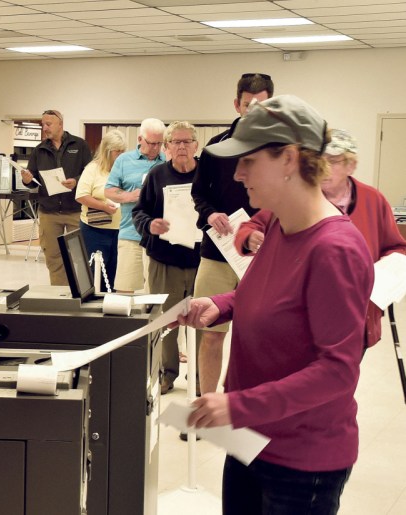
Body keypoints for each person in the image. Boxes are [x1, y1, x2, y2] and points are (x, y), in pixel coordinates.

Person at [176, 95, 374, 515]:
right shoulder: (281, 225)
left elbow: (337, 370)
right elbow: (270, 296)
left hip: (300, 463)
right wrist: (223, 304)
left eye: (248, 160)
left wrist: (235, 404)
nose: (238, 172)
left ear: (288, 159)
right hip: (250, 440)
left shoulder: (334, 249)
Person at [235, 128, 406, 349]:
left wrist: (381, 274)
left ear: (350, 165)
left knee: (340, 368)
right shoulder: (303, 195)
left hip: (357, 308)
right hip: (302, 311)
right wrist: (249, 237)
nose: (325, 167)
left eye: (333, 161)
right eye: (320, 159)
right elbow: (251, 225)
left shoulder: (373, 199)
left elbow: (397, 247)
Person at [191, 73, 274, 394]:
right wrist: (211, 214)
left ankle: (243, 404)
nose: (254, 110)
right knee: (212, 332)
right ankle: (207, 403)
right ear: (237, 104)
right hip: (218, 251)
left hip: (264, 256)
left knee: (257, 338)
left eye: (262, 105)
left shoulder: (278, 149)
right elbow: (198, 193)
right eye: (248, 104)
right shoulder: (217, 148)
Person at [132, 121, 201, 394]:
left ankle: (197, 377)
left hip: (202, 260)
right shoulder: (157, 175)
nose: (182, 146)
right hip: (164, 259)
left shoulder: (208, 175)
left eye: (187, 141)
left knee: (202, 321)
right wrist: (150, 225)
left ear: (196, 145)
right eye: (176, 142)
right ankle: (166, 373)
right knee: (166, 321)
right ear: (168, 147)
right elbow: (139, 212)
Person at [21, 109, 92, 285]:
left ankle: (82, 291)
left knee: (81, 255)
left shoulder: (80, 145)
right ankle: (60, 294)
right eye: (43, 124)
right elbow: (33, 179)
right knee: (53, 257)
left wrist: (76, 181)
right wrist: (27, 180)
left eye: (48, 124)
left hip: (76, 210)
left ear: (60, 124)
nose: (45, 128)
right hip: (49, 212)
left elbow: (90, 174)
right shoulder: (39, 150)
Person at [105, 118, 166, 293]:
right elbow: (109, 191)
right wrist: (130, 196)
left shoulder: (168, 162)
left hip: (159, 238)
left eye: (159, 143)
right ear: (140, 139)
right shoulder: (124, 160)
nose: (155, 148)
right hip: (130, 233)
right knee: (125, 290)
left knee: (154, 293)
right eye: (151, 143)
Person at [75, 130, 126, 290]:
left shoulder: (124, 168)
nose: (121, 155)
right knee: (96, 274)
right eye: (117, 151)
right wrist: (104, 206)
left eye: (123, 151)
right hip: (95, 231)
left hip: (121, 230)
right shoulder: (93, 169)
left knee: (116, 273)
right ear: (107, 151)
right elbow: (81, 195)